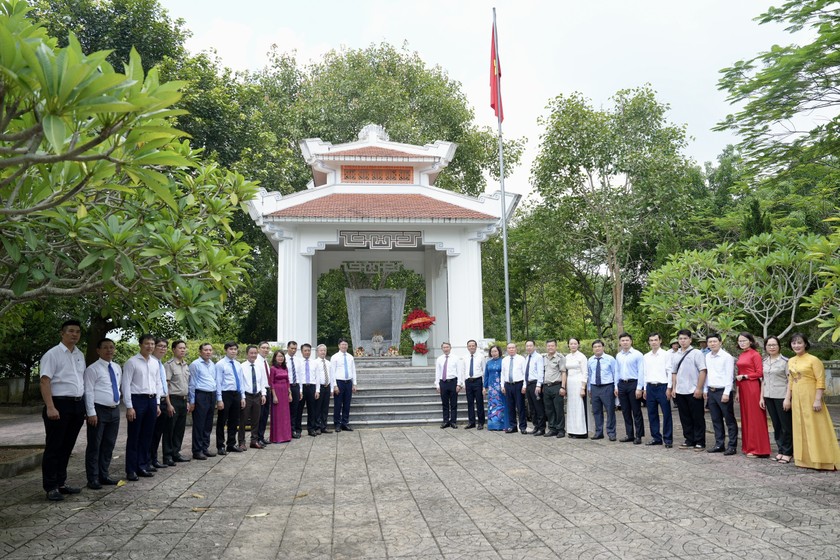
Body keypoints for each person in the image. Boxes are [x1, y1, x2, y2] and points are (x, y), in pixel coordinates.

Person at [40, 319, 86, 501]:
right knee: (54, 447)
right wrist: (50, 407)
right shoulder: (53, 354)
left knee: (67, 446)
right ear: (62, 333)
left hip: (76, 405)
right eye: (71, 331)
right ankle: (50, 486)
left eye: (77, 332)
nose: (75, 334)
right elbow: (45, 381)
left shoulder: (79, 354)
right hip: (59, 404)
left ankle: (61, 482)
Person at [785, 333, 840, 470]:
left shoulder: (814, 360)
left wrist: (817, 400)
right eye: (793, 343)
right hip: (797, 398)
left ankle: (822, 459)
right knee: (800, 426)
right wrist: (787, 398)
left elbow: (821, 381)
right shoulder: (791, 360)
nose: (796, 345)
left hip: (811, 395)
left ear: (805, 344)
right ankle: (804, 460)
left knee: (815, 426)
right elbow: (791, 381)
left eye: (799, 342)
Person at [122, 334, 163, 481]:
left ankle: (142, 465)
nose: (150, 346)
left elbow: (158, 383)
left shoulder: (155, 363)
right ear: (140, 345)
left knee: (147, 435)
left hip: (152, 401)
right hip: (137, 400)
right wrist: (129, 406)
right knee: (134, 435)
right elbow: (125, 385)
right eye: (147, 344)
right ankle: (131, 469)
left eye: (152, 344)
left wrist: (157, 403)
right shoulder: (131, 362)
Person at [83, 338, 122, 490]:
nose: (109, 350)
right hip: (98, 410)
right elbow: (88, 391)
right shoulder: (92, 369)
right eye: (105, 347)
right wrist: (91, 412)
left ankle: (103, 475)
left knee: (109, 445)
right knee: (95, 445)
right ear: (98, 350)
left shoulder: (117, 367)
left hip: (114, 410)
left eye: (111, 347)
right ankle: (92, 478)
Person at [735, 332, 771, 458]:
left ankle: (759, 449)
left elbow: (760, 373)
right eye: (740, 341)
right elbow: (739, 372)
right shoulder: (742, 354)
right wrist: (738, 391)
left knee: (755, 417)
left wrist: (745, 376)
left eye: (744, 340)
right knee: (746, 417)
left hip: (753, 387)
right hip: (743, 388)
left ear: (750, 341)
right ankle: (748, 446)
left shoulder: (755, 354)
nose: (742, 343)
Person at [672, 329, 707, 451]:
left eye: (685, 338)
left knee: (697, 417)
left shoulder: (696, 353)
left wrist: (699, 388)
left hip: (693, 390)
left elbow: (703, 370)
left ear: (690, 339)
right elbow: (674, 372)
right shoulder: (676, 355)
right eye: (680, 338)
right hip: (680, 391)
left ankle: (700, 441)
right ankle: (689, 439)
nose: (682, 341)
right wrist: (674, 388)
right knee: (684, 417)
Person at [703, 334, 738, 456]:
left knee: (729, 419)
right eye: (710, 342)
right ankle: (719, 444)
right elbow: (708, 374)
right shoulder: (707, 356)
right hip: (711, 391)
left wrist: (727, 393)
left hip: (723, 391)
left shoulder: (727, 357)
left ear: (720, 342)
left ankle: (732, 445)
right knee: (716, 419)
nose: (712, 344)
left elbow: (730, 376)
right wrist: (705, 390)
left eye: (714, 341)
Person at [760, 336, 792, 464]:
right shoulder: (764, 361)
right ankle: (780, 450)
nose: (772, 347)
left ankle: (788, 452)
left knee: (786, 425)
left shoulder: (786, 361)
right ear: (766, 347)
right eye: (769, 345)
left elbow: (790, 381)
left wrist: (787, 398)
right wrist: (761, 397)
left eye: (774, 345)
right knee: (776, 425)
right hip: (769, 396)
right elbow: (763, 380)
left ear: (779, 346)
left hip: (781, 396)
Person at [188, 343, 219, 460]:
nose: (208, 352)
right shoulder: (195, 364)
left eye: (210, 350)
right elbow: (192, 384)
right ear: (200, 351)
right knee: (199, 424)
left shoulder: (212, 364)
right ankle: (197, 450)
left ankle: (205, 448)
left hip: (211, 395)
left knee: (208, 424)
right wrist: (192, 400)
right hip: (200, 394)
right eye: (205, 350)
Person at [642, 333, 673, 448]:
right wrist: (645, 389)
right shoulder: (646, 356)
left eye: (655, 340)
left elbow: (669, 371)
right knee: (652, 414)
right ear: (649, 342)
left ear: (660, 341)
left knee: (666, 413)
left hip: (662, 387)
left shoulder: (666, 355)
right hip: (650, 387)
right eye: (651, 340)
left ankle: (668, 439)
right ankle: (656, 437)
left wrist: (669, 388)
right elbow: (645, 373)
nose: (653, 342)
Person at [216, 342, 245, 454]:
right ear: (225, 350)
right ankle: (220, 445)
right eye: (231, 349)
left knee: (234, 420)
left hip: (236, 394)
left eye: (235, 349)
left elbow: (241, 381)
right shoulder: (220, 364)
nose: (233, 351)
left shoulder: (238, 364)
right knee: (222, 420)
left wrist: (242, 397)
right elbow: (218, 382)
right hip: (225, 394)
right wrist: (219, 399)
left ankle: (231, 444)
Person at [615, 333, 645, 444]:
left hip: (634, 384)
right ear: (620, 342)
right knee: (625, 411)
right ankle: (630, 434)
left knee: (636, 411)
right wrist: (616, 386)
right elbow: (617, 371)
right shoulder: (618, 355)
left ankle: (639, 435)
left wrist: (639, 387)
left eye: (627, 340)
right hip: (622, 384)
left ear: (631, 341)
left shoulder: (637, 354)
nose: (625, 342)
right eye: (622, 340)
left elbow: (641, 371)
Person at [164, 340, 191, 463]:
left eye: (184, 348)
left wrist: (188, 401)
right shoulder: (169, 365)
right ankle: (167, 455)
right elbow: (166, 385)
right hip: (173, 400)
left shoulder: (186, 365)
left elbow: (186, 385)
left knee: (180, 429)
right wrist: (168, 404)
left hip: (183, 400)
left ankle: (176, 452)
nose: (183, 350)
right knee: (170, 429)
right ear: (173, 350)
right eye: (180, 348)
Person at [150, 337, 174, 470]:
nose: (162, 349)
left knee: (158, 433)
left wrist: (168, 403)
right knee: (152, 433)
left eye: (165, 346)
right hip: (154, 402)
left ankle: (154, 459)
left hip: (164, 401)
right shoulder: (151, 363)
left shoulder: (160, 363)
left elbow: (164, 386)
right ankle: (148, 459)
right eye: (160, 346)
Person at [587, 340, 618, 441]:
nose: (597, 348)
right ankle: (598, 432)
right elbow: (590, 375)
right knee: (596, 411)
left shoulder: (610, 359)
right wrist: (589, 388)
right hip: (595, 387)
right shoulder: (590, 360)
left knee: (610, 410)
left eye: (599, 346)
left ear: (603, 347)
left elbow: (615, 373)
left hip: (607, 387)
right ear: (593, 349)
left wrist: (615, 387)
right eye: (595, 347)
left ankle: (611, 432)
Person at [240, 345, 268, 449]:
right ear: (247, 354)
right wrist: (242, 397)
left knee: (256, 420)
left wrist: (263, 394)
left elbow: (262, 382)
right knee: (243, 420)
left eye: (255, 353)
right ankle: (241, 442)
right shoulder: (242, 366)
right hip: (247, 396)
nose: (253, 355)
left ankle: (254, 440)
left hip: (257, 396)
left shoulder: (259, 367)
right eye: (251, 353)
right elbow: (241, 383)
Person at [541, 339, 566, 438]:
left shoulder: (560, 358)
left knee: (558, 409)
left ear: (556, 346)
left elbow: (563, 372)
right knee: (549, 409)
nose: (550, 347)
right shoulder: (544, 358)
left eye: (552, 346)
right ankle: (552, 428)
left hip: (557, 385)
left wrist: (563, 387)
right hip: (546, 386)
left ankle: (560, 430)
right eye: (548, 346)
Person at [500, 343, 527, 434]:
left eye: (512, 348)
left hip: (518, 384)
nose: (511, 349)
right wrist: (502, 385)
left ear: (516, 349)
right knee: (510, 406)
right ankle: (513, 426)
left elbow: (524, 373)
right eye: (509, 348)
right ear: (507, 349)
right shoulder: (504, 360)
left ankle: (522, 427)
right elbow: (502, 373)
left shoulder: (521, 359)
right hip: (508, 385)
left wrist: (524, 386)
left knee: (520, 406)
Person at [331, 338, 357, 432]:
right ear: (339, 346)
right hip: (339, 382)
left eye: (345, 344)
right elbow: (332, 372)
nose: (344, 346)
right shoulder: (335, 357)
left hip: (348, 382)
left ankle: (345, 423)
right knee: (338, 404)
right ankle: (337, 424)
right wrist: (334, 385)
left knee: (347, 404)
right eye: (342, 344)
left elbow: (353, 370)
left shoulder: (350, 357)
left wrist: (354, 384)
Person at [435, 342, 464, 428]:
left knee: (453, 403)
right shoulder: (439, 359)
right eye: (444, 347)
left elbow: (459, 371)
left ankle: (453, 421)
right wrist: (437, 385)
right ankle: (445, 421)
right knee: (445, 403)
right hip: (443, 382)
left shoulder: (456, 358)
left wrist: (459, 384)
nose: (446, 349)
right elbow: (438, 372)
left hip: (453, 382)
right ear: (442, 349)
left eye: (447, 347)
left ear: (450, 348)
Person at [565, 338, 588, 438]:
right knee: (571, 406)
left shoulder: (582, 356)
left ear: (578, 345)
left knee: (579, 406)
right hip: (570, 382)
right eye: (571, 344)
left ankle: (581, 431)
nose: (573, 345)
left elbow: (585, 373)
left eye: (575, 343)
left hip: (578, 382)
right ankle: (571, 430)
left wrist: (583, 387)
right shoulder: (567, 356)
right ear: (568, 345)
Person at [523, 340, 546, 436]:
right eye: (527, 346)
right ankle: (536, 426)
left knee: (538, 407)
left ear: (534, 347)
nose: (529, 347)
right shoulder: (527, 357)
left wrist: (538, 385)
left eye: (530, 346)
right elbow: (525, 373)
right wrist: (525, 385)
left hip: (535, 384)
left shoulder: (538, 357)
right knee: (531, 407)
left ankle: (542, 428)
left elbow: (540, 372)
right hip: (528, 384)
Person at [269, 351, 292, 443]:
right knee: (277, 415)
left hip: (285, 392)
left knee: (285, 415)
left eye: (282, 356)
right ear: (275, 357)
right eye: (278, 356)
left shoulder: (285, 368)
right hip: (277, 392)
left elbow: (287, 381)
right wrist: (274, 396)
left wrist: (289, 393)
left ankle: (286, 436)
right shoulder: (273, 368)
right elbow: (271, 383)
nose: (280, 358)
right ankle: (277, 437)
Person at [299, 343, 322, 436]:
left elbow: (318, 377)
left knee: (312, 410)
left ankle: (311, 429)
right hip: (302, 387)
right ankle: (298, 429)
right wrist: (300, 390)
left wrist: (317, 390)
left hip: (312, 387)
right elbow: (298, 377)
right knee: (299, 409)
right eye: (305, 350)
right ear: (301, 352)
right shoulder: (298, 362)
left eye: (308, 350)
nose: (307, 352)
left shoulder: (315, 363)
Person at [483, 345, 507, 431]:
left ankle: (503, 425)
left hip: (501, 387)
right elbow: (486, 375)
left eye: (495, 351)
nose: (494, 353)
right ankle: (492, 425)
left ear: (499, 352)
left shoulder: (503, 361)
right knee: (492, 406)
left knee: (501, 405)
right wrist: (484, 387)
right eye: (492, 351)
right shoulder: (488, 363)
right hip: (491, 388)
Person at [463, 339, 486, 430]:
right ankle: (471, 422)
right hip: (468, 381)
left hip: (478, 381)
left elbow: (484, 371)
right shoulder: (465, 357)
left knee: (479, 402)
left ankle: (481, 422)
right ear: (467, 347)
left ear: (476, 346)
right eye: (470, 346)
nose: (471, 347)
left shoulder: (481, 357)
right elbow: (463, 370)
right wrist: (463, 383)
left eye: (473, 345)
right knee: (470, 403)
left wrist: (484, 385)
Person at [255, 341, 273, 446]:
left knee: (265, 415)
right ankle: (257, 438)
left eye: (267, 348)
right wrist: (263, 393)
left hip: (267, 389)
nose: (265, 350)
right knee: (259, 416)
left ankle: (261, 437)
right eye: (263, 348)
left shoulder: (265, 361)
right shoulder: (257, 361)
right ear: (259, 348)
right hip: (261, 391)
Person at [286, 340, 303, 438]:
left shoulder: (298, 360)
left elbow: (300, 375)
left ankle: (293, 430)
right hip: (286, 387)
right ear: (288, 348)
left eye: (295, 349)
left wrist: (300, 390)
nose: (293, 350)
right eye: (291, 348)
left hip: (296, 386)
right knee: (286, 409)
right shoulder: (283, 359)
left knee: (295, 410)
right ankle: (286, 430)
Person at [316, 344, 333, 434]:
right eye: (321, 350)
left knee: (325, 408)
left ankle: (324, 426)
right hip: (320, 388)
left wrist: (331, 389)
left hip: (327, 387)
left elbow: (331, 376)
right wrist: (317, 390)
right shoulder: (315, 363)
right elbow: (316, 377)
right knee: (318, 408)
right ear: (318, 352)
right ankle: (317, 427)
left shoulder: (328, 363)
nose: (323, 352)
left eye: (324, 350)